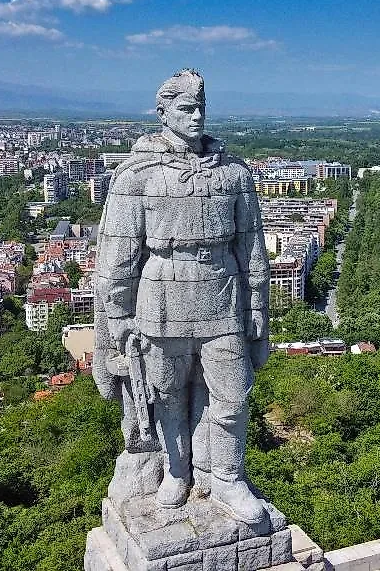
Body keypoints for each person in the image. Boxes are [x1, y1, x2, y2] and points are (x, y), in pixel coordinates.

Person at [93, 69, 270, 524]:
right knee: (166, 394)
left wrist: (256, 306)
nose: (195, 117)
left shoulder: (233, 173)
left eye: (201, 108)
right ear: (163, 113)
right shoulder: (138, 176)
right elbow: (118, 255)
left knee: (232, 397)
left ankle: (227, 478)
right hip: (160, 299)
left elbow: (251, 247)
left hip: (221, 294)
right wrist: (119, 321)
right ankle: (176, 471)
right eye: (185, 109)